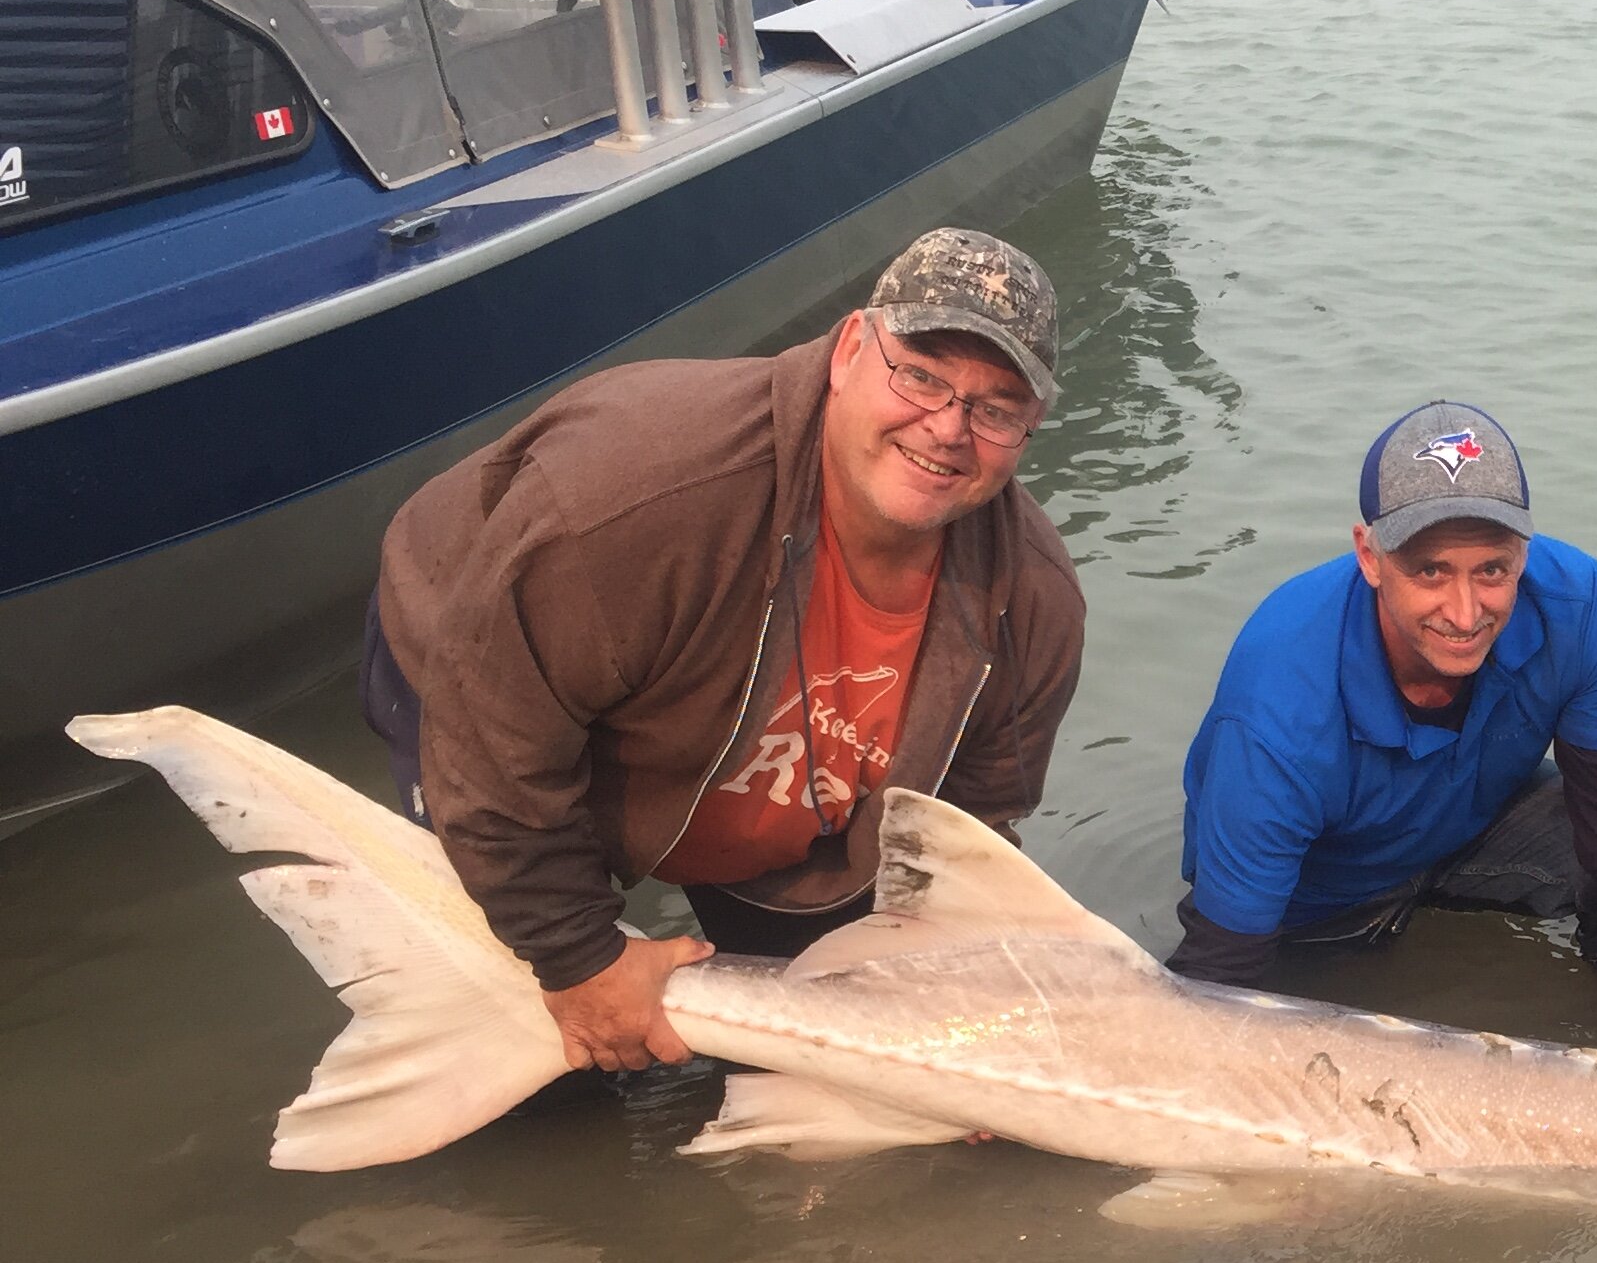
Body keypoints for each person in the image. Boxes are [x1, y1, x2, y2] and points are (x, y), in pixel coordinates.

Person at [363, 229, 1087, 1072]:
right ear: (849, 350)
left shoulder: (1033, 602)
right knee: (548, 1065)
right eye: (920, 375)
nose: (948, 427)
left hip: (767, 778)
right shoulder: (636, 496)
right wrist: (578, 958)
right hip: (482, 669)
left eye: (996, 409)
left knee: (847, 1056)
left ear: (1029, 428)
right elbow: (495, 748)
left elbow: (964, 832)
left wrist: (965, 1025)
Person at [1172, 401, 1597, 1051]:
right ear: (1370, 555)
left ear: (1523, 551)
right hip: (1318, 905)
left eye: (1492, 569)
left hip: (1474, 831)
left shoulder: (1582, 609)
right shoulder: (1278, 701)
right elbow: (1221, 974)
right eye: (1430, 570)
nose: (1465, 614)